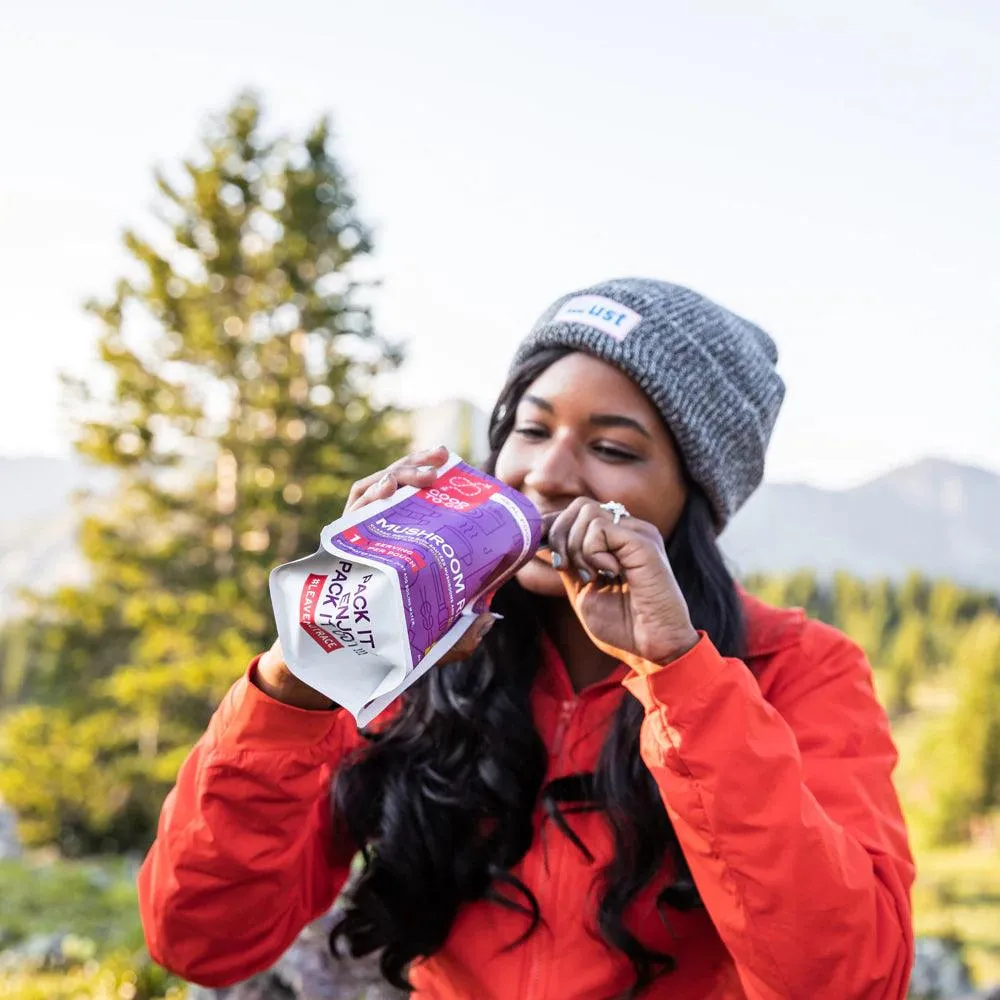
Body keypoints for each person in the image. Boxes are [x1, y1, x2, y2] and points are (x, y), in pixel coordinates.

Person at [138, 279, 915, 999]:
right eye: (530, 429)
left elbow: (848, 981)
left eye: (613, 449)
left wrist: (679, 676)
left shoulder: (795, 668)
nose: (545, 473)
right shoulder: (413, 647)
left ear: (696, 501)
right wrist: (308, 667)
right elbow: (199, 937)